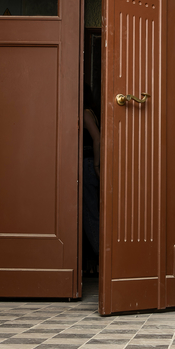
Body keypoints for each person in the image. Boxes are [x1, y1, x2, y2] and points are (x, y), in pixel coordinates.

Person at [82, 104, 100, 276]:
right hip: (86, 164)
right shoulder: (88, 112)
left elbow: (97, 138)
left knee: (89, 214)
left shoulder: (85, 113)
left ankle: (102, 257)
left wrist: (96, 165)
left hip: (87, 164)